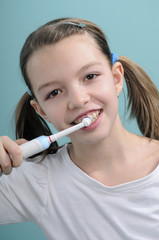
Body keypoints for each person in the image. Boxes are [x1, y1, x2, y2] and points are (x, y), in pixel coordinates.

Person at [0, 17, 159, 240]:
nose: (78, 100)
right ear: (41, 110)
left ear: (116, 78)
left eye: (90, 76)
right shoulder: (36, 180)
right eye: (54, 92)